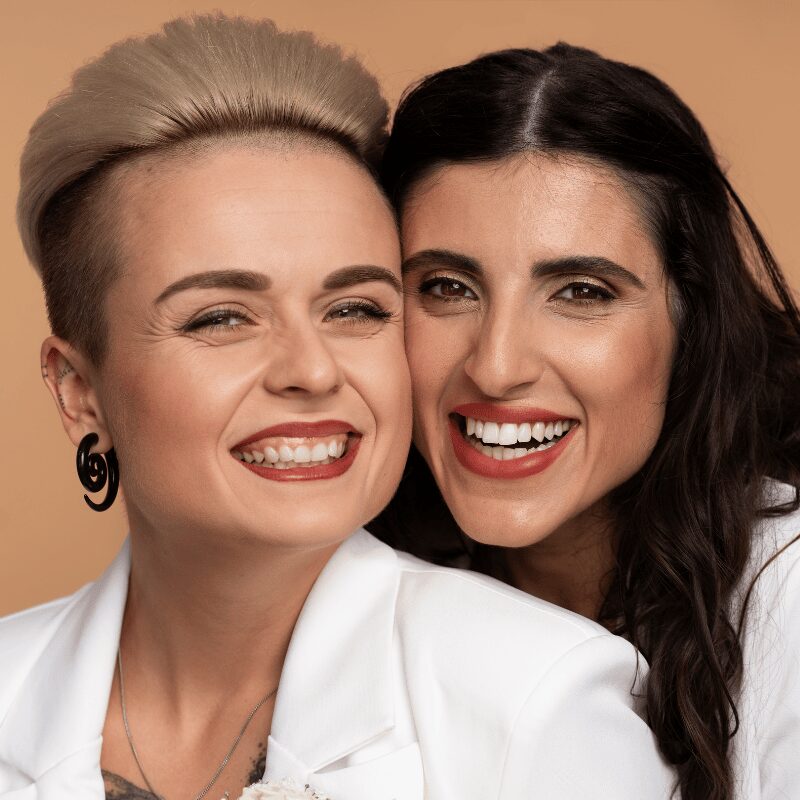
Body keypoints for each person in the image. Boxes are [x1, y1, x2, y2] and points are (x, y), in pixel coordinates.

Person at [0, 18, 676, 800]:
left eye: (354, 308)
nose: (312, 370)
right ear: (79, 390)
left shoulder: (537, 701)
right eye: (221, 317)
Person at [373, 43, 800, 800]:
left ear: (691, 321)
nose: (497, 366)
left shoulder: (789, 603)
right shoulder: (357, 597)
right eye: (445, 286)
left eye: (581, 292)